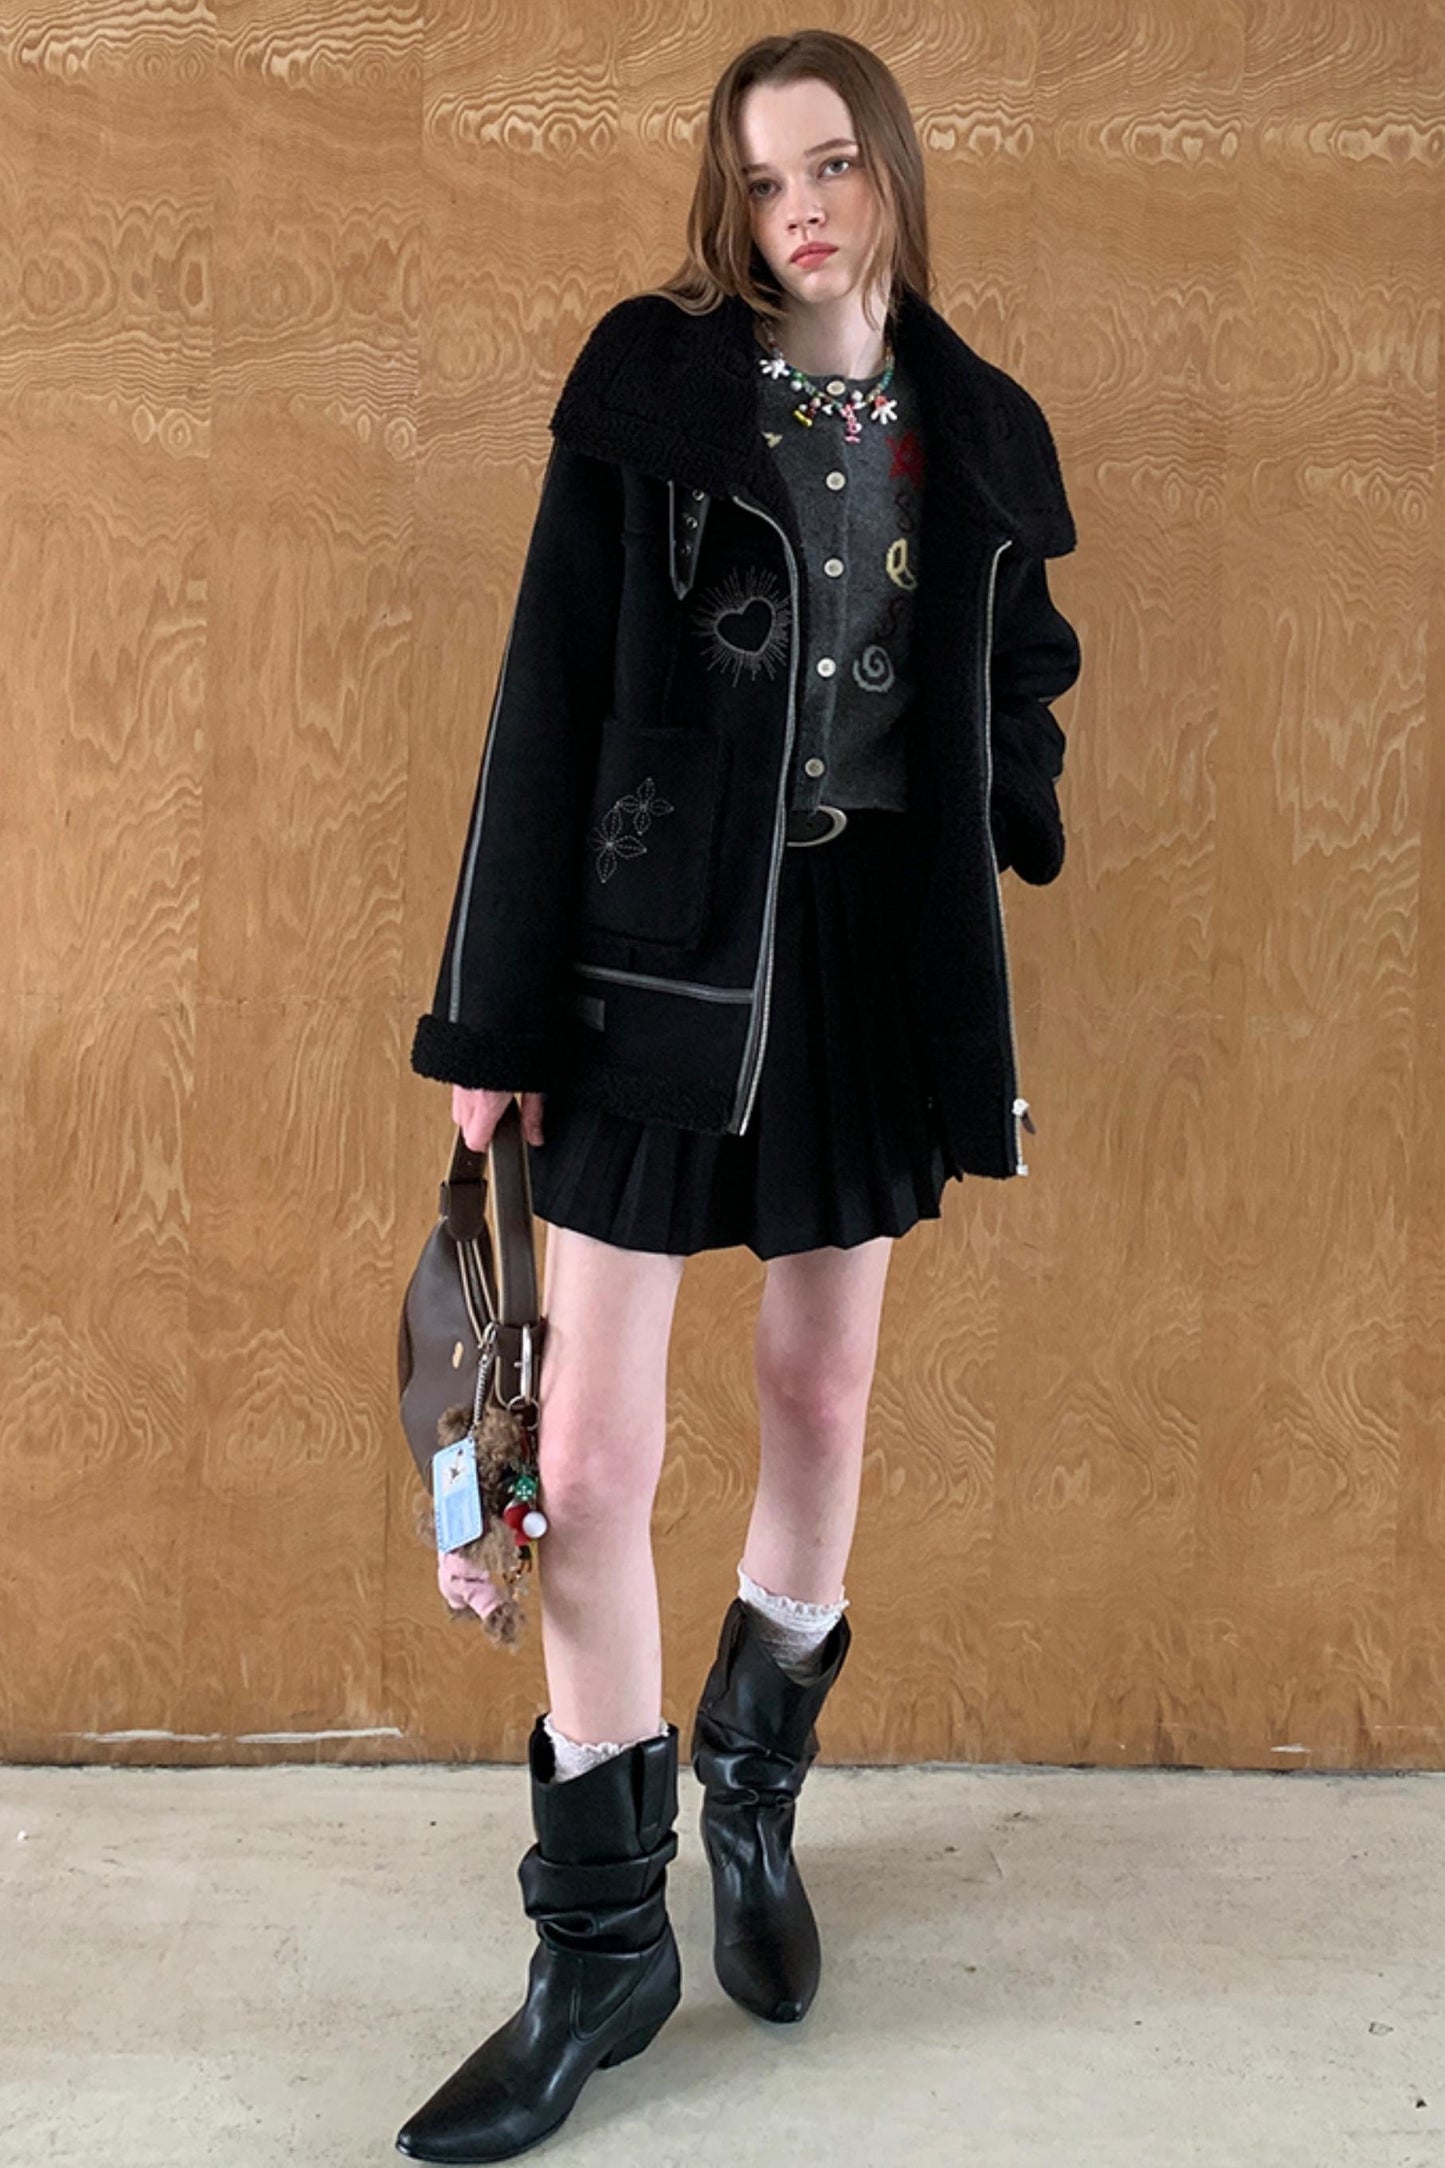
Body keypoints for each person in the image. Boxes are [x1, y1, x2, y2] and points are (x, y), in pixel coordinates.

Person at [396, 27, 1081, 2163]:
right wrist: (491, 1028)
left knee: (819, 1392)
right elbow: (545, 686)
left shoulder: (976, 422)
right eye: (767, 176)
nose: (801, 210)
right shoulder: (656, 389)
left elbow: (1025, 660)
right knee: (592, 1453)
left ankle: (755, 1798)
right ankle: (601, 1941)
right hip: (648, 966)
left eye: (834, 167)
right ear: (729, 196)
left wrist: (1009, 798)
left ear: (890, 174)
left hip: (863, 968)